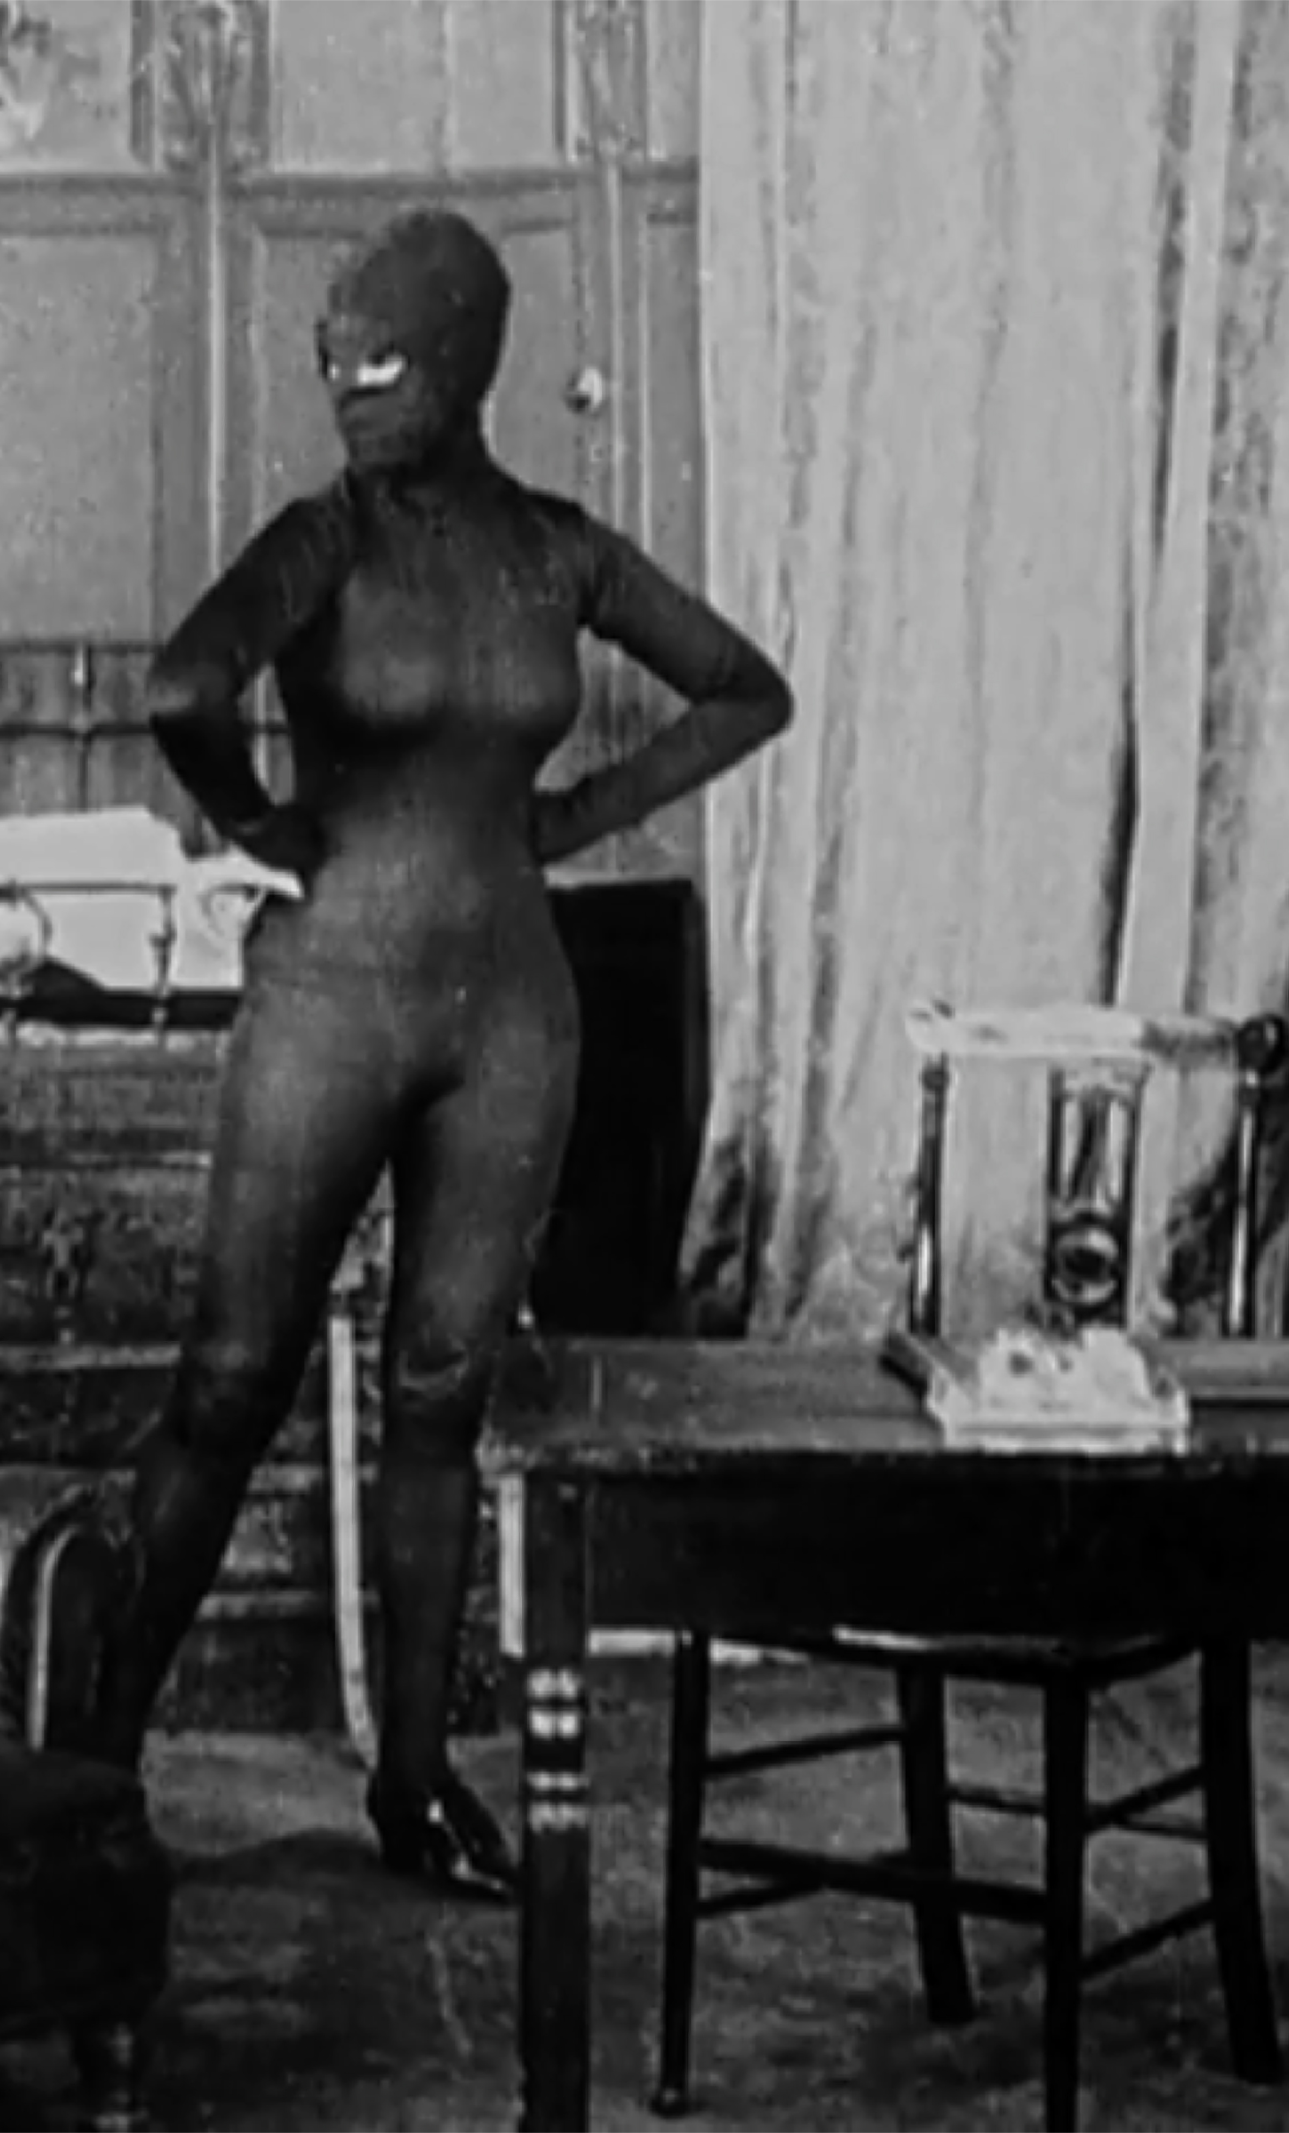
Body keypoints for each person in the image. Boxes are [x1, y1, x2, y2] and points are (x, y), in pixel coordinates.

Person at [103, 205, 795, 1899]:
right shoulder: (320, 540)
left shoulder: (558, 546)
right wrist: (259, 825)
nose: (347, 383)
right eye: (330, 357)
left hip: (511, 1025)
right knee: (227, 1384)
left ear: (467, 359)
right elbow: (183, 686)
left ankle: (410, 1784)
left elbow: (744, 687)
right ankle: (79, 1769)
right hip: (333, 1005)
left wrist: (572, 816)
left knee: (439, 1402)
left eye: (380, 356)